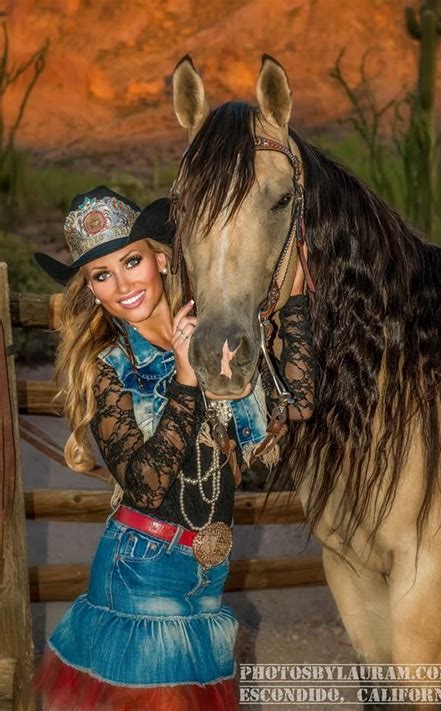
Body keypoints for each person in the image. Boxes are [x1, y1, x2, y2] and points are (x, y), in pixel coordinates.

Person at [33, 185, 315, 711]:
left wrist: (295, 304)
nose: (122, 285)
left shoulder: (218, 337)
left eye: (131, 261)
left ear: (160, 258)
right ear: (91, 290)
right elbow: (145, 484)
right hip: (142, 569)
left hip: (209, 572)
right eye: (102, 276)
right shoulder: (107, 367)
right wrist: (185, 380)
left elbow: (294, 411)